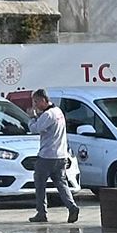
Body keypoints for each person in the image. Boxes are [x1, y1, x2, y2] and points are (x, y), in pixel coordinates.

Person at [28, 89, 80, 224]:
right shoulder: (58, 112)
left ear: (44, 100)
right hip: (61, 155)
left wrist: (32, 117)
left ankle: (41, 213)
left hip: (47, 155)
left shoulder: (48, 115)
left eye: (36, 101)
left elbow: (35, 128)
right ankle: (72, 206)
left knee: (40, 184)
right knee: (61, 183)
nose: (35, 105)